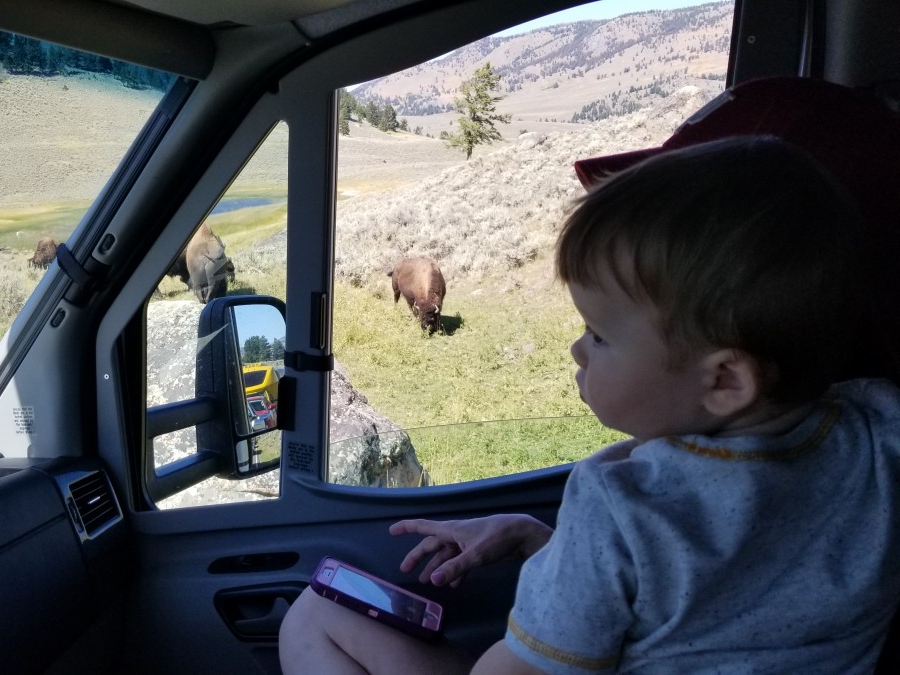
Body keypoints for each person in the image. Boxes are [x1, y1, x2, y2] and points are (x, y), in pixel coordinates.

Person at [279, 78, 900, 674]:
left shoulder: (619, 510)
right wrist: (541, 540)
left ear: (727, 382)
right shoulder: (879, 433)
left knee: (316, 618)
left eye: (599, 335)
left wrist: (574, 555)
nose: (577, 349)